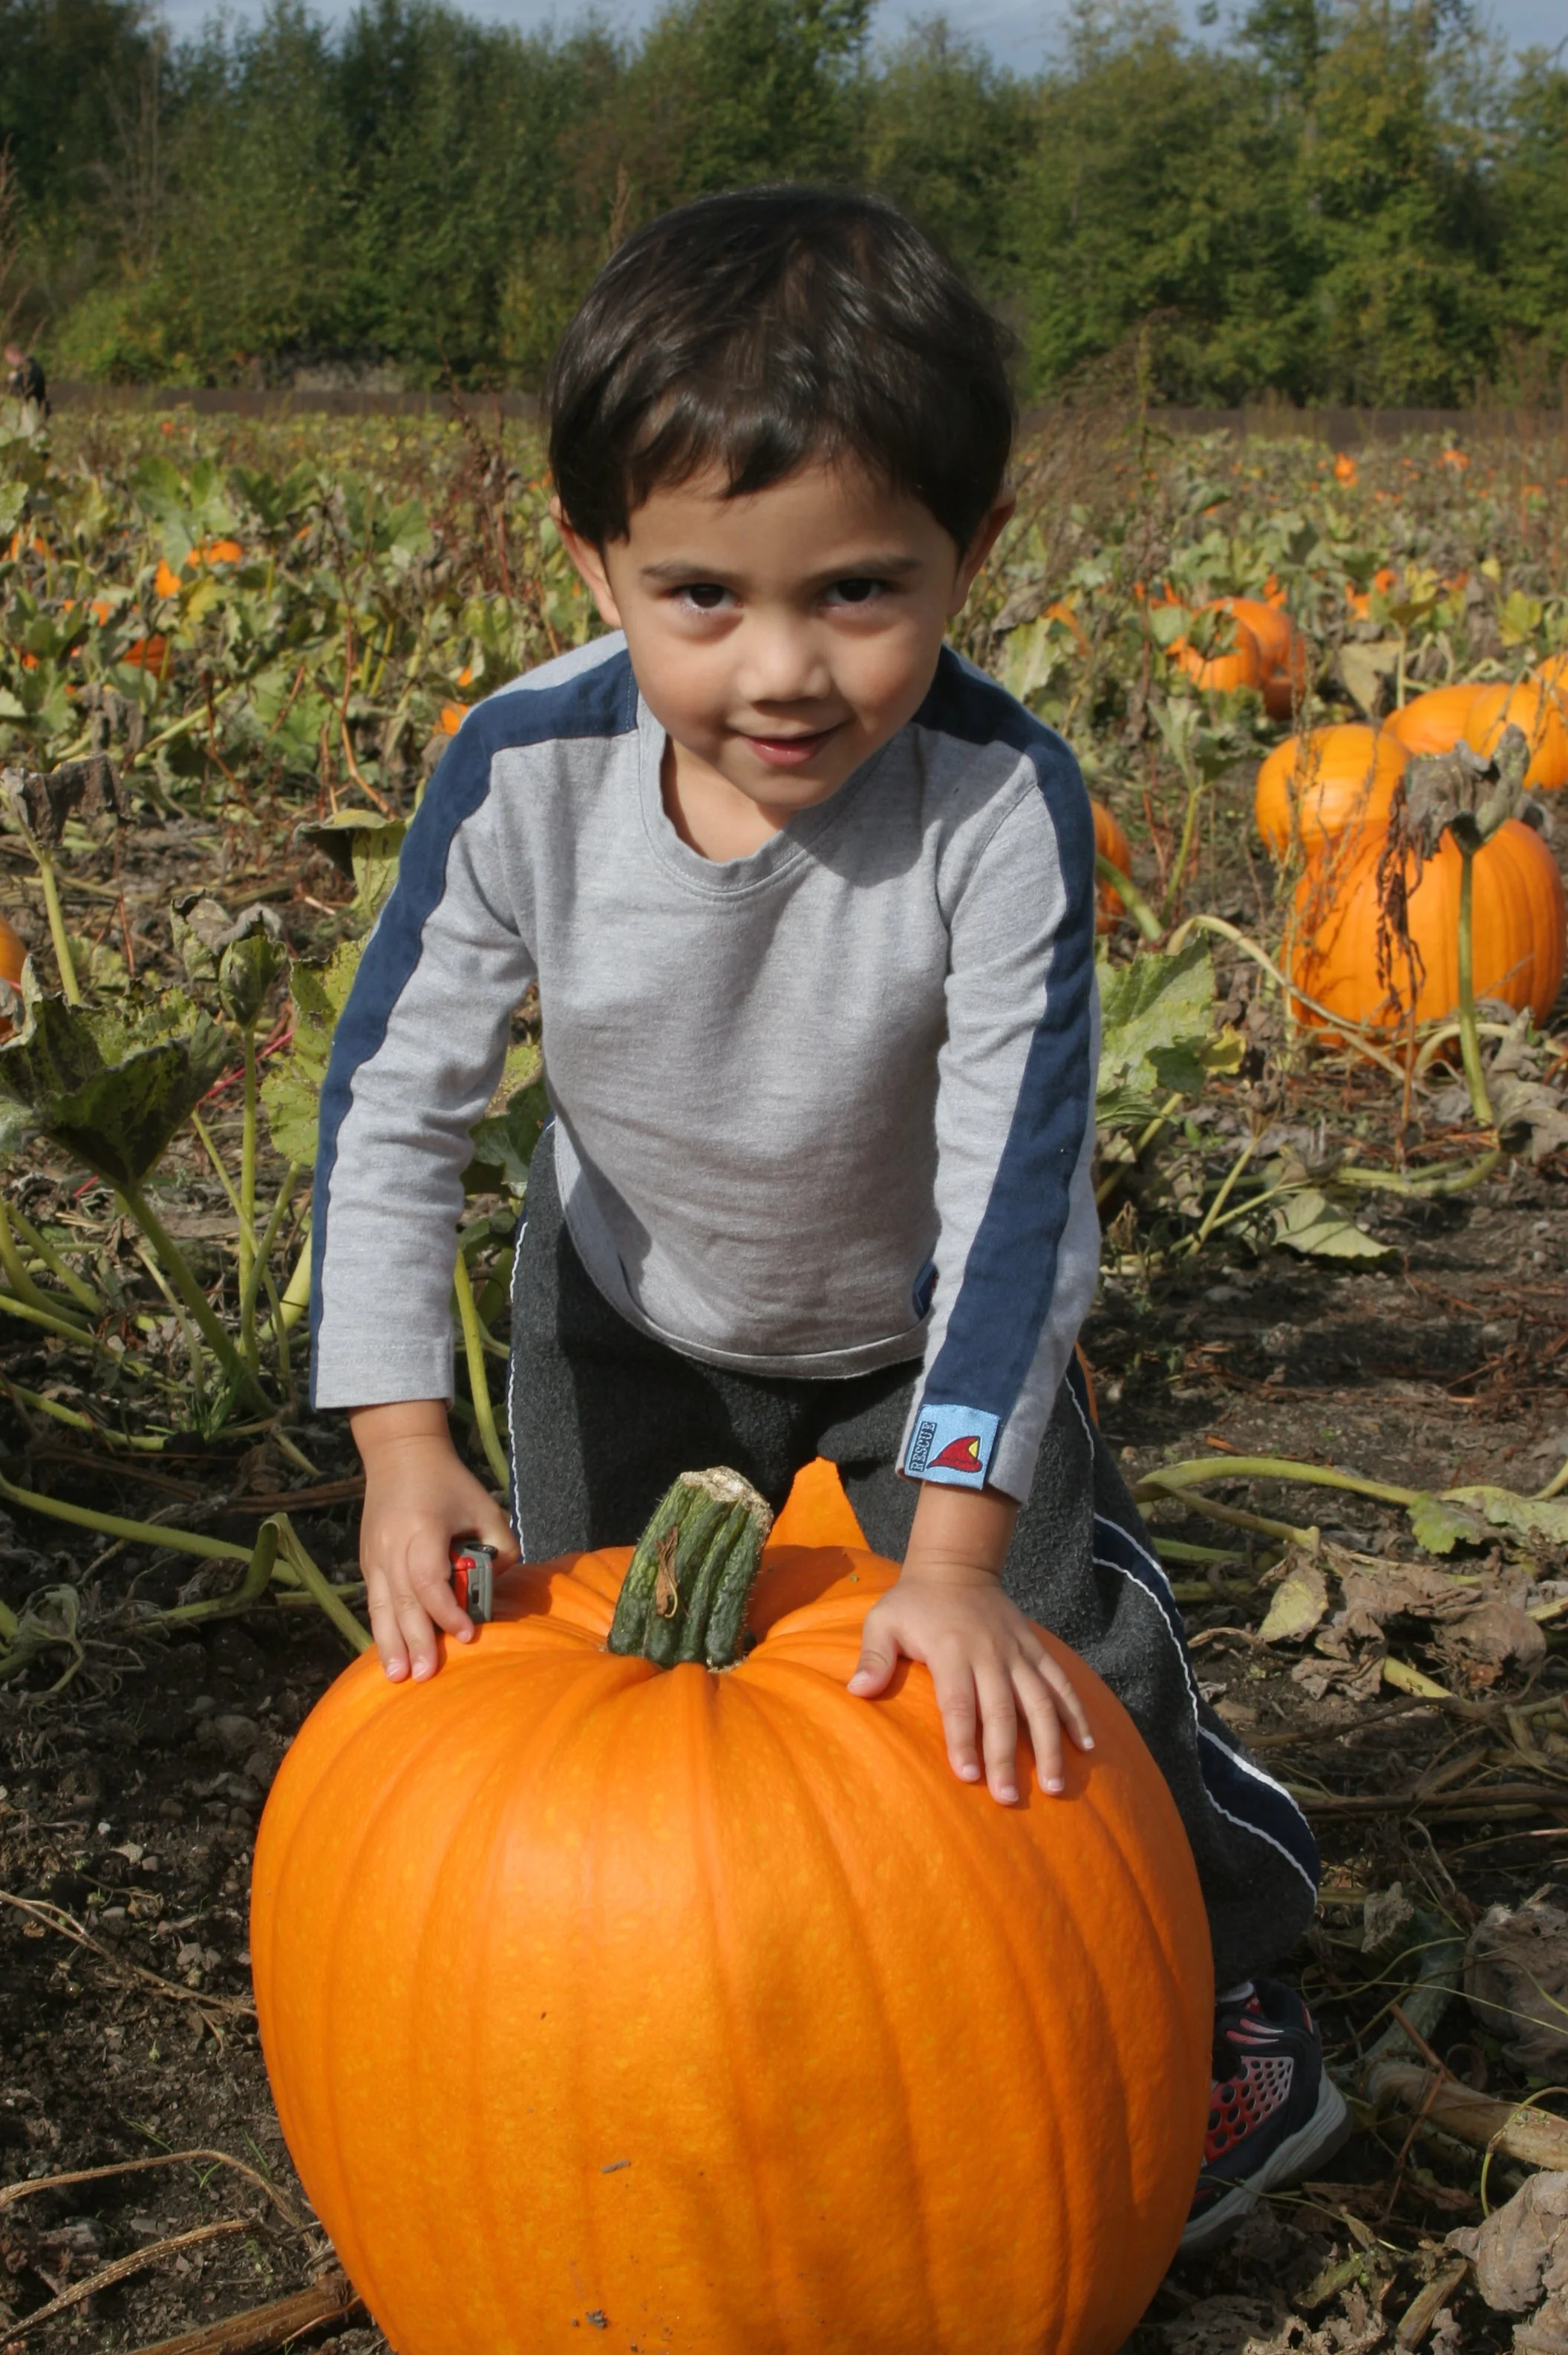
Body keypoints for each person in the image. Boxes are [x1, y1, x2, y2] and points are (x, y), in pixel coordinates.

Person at [310, 186, 1345, 2249]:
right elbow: (392, 1106)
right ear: (593, 552)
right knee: (604, 1711)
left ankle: (1228, 1985)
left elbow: (1016, 1201)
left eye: (861, 593)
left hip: (913, 1341)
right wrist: (400, 1445)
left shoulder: (997, 807)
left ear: (975, 549)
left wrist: (953, 1553)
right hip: (627, 1308)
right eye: (699, 596)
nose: (779, 671)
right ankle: (676, 2076)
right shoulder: (518, 772)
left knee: (1059, 1667)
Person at [4, 342, 50, 417]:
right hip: (36, 409)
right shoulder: (28, 367)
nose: (10, 363)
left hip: (36, 411)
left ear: (17, 355)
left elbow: (29, 388)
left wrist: (16, 379)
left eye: (11, 359)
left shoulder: (30, 369)